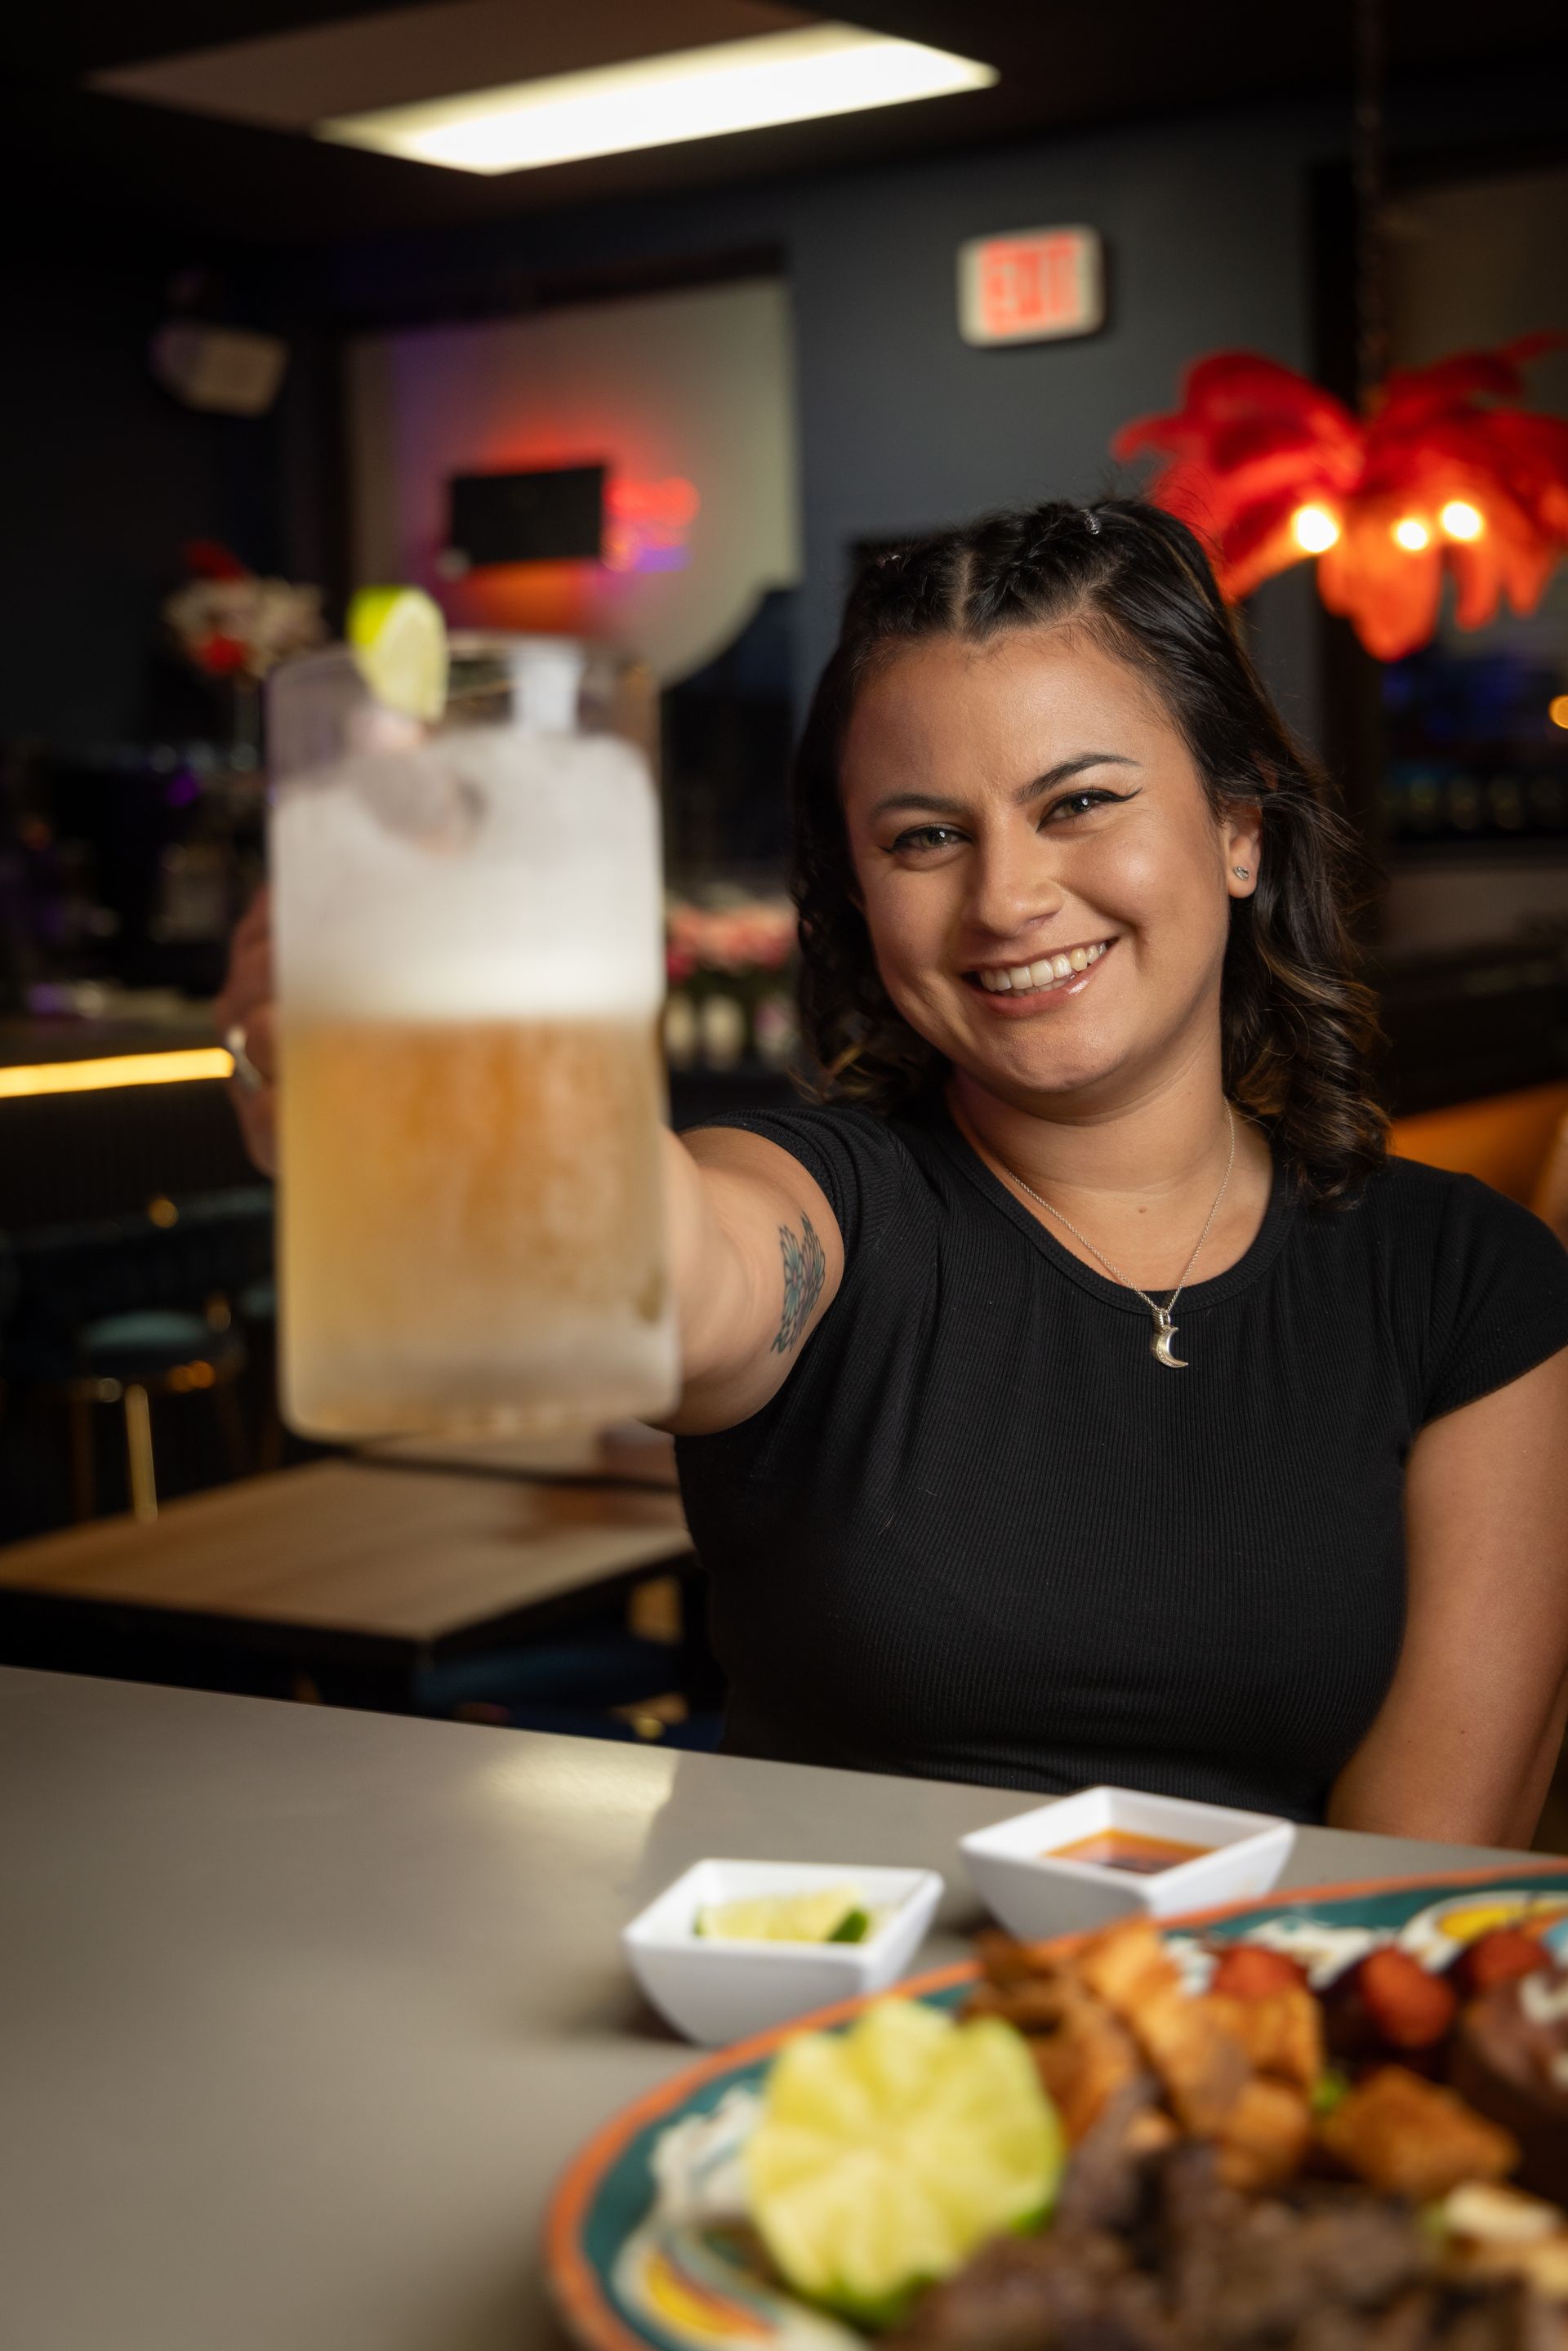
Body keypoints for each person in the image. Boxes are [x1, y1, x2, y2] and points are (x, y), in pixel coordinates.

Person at [219, 500, 1568, 1841]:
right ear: (860, 895)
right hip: (805, 2043)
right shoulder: (826, 1202)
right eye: (925, 837)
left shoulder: (1464, 1288)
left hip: (1248, 2036)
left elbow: (1414, 1883)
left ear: (1238, 829)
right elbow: (677, 1273)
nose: (1005, 899)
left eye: (1082, 802)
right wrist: (445, 1081)